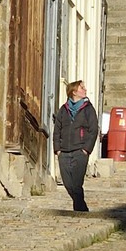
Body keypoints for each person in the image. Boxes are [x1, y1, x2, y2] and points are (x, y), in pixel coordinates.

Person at [52, 79, 99, 212]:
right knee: (68, 184)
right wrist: (57, 150)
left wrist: (86, 149)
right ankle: (82, 208)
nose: (85, 90)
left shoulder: (88, 109)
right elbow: (57, 130)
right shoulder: (63, 110)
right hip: (64, 152)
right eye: (82, 88)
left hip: (80, 151)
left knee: (77, 184)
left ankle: (79, 211)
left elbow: (93, 129)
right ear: (74, 92)